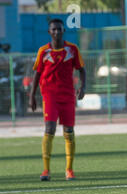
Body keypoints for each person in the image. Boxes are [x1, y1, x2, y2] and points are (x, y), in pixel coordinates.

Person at [29, 18, 86, 181]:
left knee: (68, 131)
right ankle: (46, 170)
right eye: (53, 29)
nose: (56, 32)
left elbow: (82, 70)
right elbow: (37, 73)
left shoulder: (72, 49)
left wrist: (83, 86)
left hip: (68, 95)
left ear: (63, 31)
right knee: (50, 129)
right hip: (49, 95)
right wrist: (32, 95)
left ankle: (69, 170)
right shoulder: (43, 51)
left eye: (59, 29)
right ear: (49, 32)